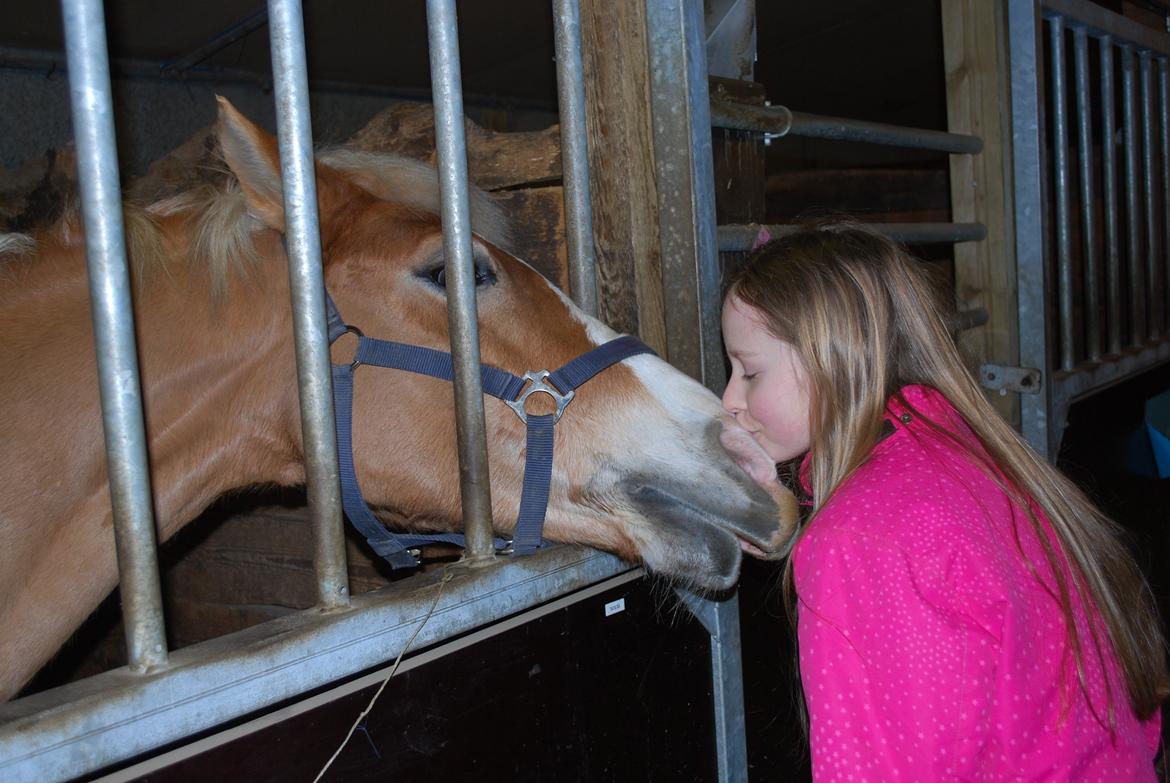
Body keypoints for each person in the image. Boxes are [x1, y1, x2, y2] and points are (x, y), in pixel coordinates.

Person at [721, 220, 1167, 780]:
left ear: (832, 355)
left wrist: (826, 539)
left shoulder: (856, 542)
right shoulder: (972, 456)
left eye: (749, 371)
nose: (728, 398)